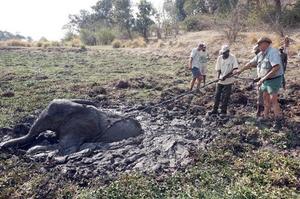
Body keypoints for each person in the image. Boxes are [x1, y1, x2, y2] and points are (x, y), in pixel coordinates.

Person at [234, 37, 284, 131]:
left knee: (273, 99)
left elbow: (276, 67)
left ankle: (278, 122)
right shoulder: (261, 54)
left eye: (260, 44)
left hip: (274, 79)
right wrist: (240, 70)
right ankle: (265, 117)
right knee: (265, 98)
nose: (259, 46)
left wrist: (263, 78)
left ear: (266, 43)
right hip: (264, 80)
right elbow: (251, 63)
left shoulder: (273, 52)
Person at [207, 45, 239, 116]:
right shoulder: (220, 58)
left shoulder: (232, 58)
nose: (223, 54)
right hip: (220, 80)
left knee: (225, 96)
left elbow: (234, 69)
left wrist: (225, 76)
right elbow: (218, 69)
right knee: (217, 95)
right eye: (222, 53)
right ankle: (214, 110)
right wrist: (218, 77)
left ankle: (223, 111)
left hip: (229, 80)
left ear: (228, 52)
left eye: (224, 53)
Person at [253, 44, 264, 117]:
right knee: (260, 96)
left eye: (256, 52)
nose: (255, 53)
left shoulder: (266, 57)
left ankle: (262, 112)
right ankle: (259, 112)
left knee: (264, 96)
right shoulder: (258, 57)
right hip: (260, 79)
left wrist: (260, 78)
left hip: (266, 80)